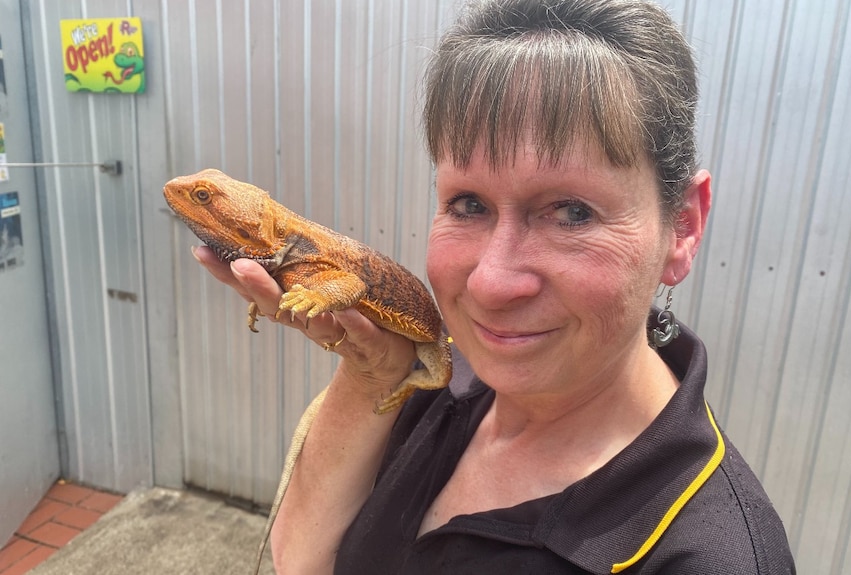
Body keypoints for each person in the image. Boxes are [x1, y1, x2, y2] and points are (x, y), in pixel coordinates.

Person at [195, 0, 796, 572]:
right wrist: (371, 372)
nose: (490, 282)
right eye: (468, 203)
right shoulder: (435, 378)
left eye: (572, 213)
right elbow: (299, 561)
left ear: (682, 228)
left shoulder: (714, 556)